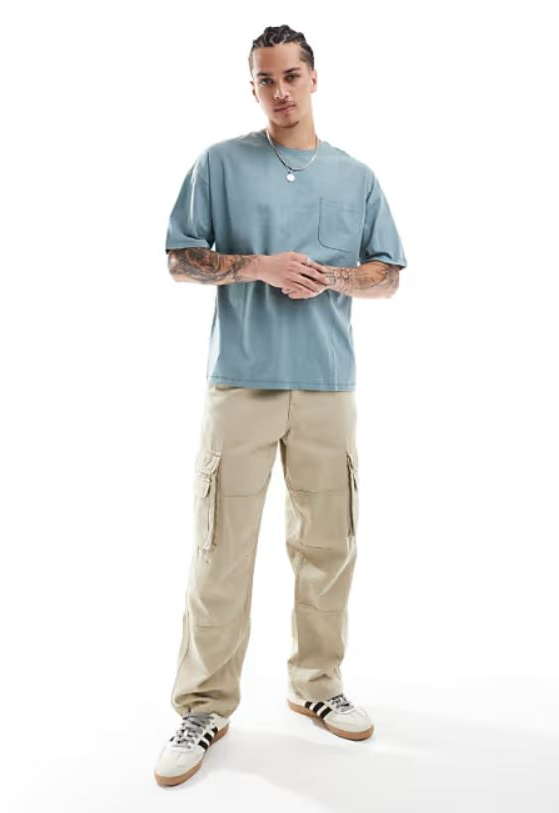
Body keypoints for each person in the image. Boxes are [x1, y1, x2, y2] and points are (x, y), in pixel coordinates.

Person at [154, 24, 408, 787]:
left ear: (314, 78)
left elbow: (388, 273)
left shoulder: (356, 176)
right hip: (242, 382)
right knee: (220, 548)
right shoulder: (220, 164)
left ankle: (317, 683)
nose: (280, 91)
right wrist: (258, 266)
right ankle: (203, 705)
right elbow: (180, 258)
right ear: (254, 87)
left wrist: (333, 278)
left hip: (328, 384)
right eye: (266, 80)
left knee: (329, 544)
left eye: (291, 75)